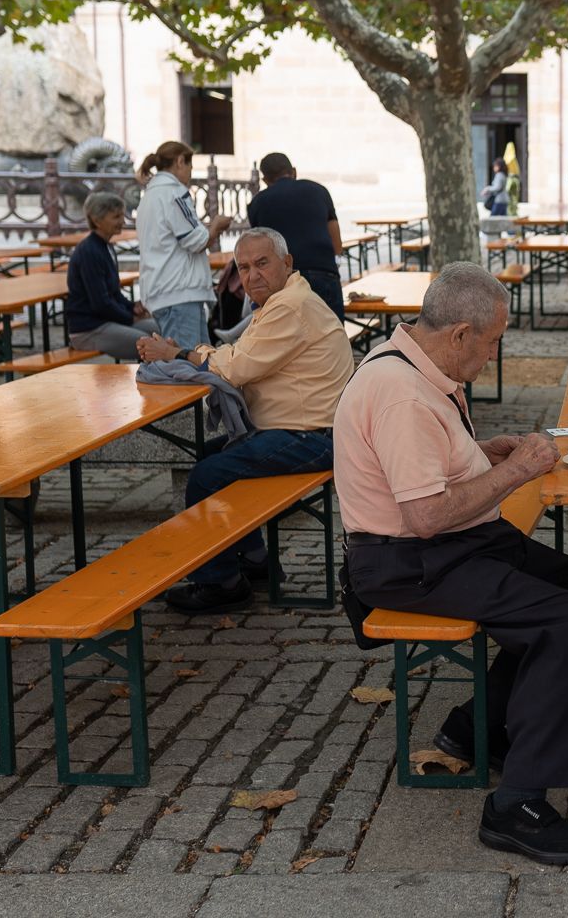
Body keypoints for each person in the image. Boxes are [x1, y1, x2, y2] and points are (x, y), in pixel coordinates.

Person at [333, 263, 568, 865]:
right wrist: (514, 471)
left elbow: (419, 464)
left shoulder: (412, 363)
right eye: (492, 342)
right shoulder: (401, 393)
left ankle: (478, 727)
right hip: (412, 561)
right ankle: (517, 805)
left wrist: (482, 454)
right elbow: (425, 515)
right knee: (567, 620)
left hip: (450, 544)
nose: (492, 354)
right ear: (458, 334)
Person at [137, 228, 353, 614]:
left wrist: (178, 352)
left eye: (262, 263)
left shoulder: (290, 307)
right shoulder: (283, 302)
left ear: (287, 264)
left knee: (207, 475)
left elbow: (234, 367)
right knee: (212, 455)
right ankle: (254, 560)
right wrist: (184, 353)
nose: (252, 275)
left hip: (312, 437)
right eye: (244, 267)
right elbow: (238, 356)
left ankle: (221, 583)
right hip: (303, 430)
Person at [135, 141, 232, 349]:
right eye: (189, 166)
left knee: (200, 359)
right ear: (180, 161)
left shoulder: (150, 196)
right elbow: (196, 240)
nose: (190, 172)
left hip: (165, 290)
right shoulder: (174, 193)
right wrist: (216, 226)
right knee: (187, 365)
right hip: (178, 292)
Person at [247, 152, 345, 321]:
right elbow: (337, 244)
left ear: (265, 180)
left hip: (284, 283)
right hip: (323, 275)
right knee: (332, 339)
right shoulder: (319, 191)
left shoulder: (257, 203)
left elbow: (258, 251)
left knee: (288, 343)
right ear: (294, 171)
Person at [66, 192, 158, 360]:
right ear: (97, 220)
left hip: (105, 320)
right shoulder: (89, 251)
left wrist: (131, 307)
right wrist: (129, 316)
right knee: (154, 345)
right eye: (116, 217)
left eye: (122, 216)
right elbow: (100, 303)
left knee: (164, 332)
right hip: (89, 329)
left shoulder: (105, 247)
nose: (122, 221)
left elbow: (113, 293)